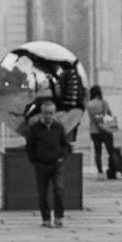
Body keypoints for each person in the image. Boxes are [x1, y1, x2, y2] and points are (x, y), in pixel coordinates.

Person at [22, 96, 71, 228]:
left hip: (56, 164)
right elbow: (29, 146)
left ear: (54, 113)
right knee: (42, 193)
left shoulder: (59, 127)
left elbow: (65, 145)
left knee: (59, 189)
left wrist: (62, 157)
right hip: (41, 165)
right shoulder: (35, 128)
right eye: (46, 113)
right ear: (41, 113)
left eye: (51, 113)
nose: (48, 115)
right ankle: (46, 218)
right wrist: (35, 161)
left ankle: (59, 217)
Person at [85, 85, 120, 179]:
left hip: (94, 131)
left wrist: (98, 123)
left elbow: (92, 117)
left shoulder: (89, 104)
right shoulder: (104, 103)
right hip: (106, 130)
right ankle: (116, 171)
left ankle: (100, 173)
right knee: (111, 151)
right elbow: (109, 114)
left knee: (98, 152)